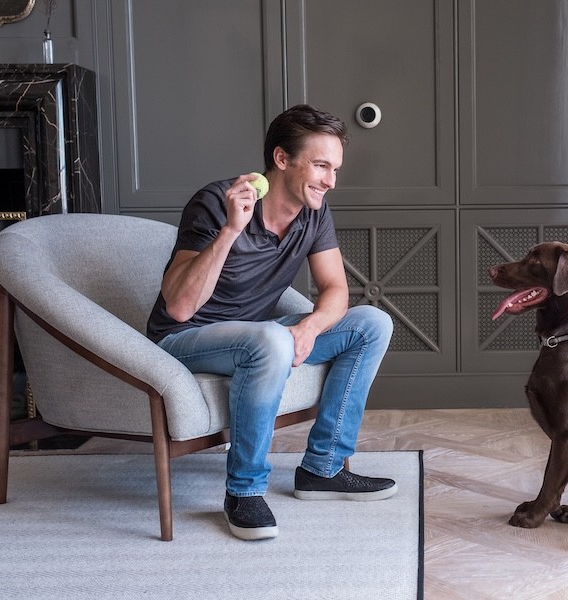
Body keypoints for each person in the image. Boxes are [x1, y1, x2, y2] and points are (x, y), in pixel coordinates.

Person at [146, 105, 396, 541]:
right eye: (320, 165)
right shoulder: (214, 204)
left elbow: (335, 288)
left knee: (371, 322)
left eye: (334, 168)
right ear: (282, 159)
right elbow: (180, 308)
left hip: (258, 337)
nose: (330, 180)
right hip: (185, 339)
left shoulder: (314, 211)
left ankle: (322, 469)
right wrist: (230, 231)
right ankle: (243, 492)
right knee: (270, 340)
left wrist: (310, 327)